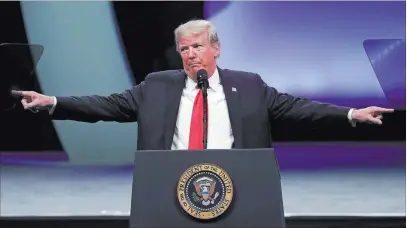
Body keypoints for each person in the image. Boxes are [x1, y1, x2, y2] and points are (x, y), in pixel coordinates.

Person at [12, 19, 393, 150]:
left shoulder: (249, 85)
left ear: (216, 49)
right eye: (184, 48)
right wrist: (55, 103)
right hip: (170, 179)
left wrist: (351, 114)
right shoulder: (156, 85)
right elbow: (108, 106)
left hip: (236, 180)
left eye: (197, 46)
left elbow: (298, 108)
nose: (190, 54)